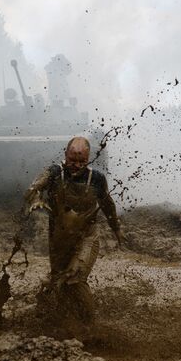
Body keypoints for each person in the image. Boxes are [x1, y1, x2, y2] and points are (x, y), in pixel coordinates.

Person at [23, 136, 124, 324]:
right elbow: (32, 189)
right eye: (72, 160)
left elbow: (107, 204)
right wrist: (36, 200)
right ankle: (62, 322)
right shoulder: (54, 173)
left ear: (89, 159)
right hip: (59, 238)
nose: (77, 165)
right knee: (58, 282)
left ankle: (90, 325)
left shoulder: (97, 179)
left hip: (87, 236)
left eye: (82, 161)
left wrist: (116, 229)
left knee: (75, 278)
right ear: (65, 155)